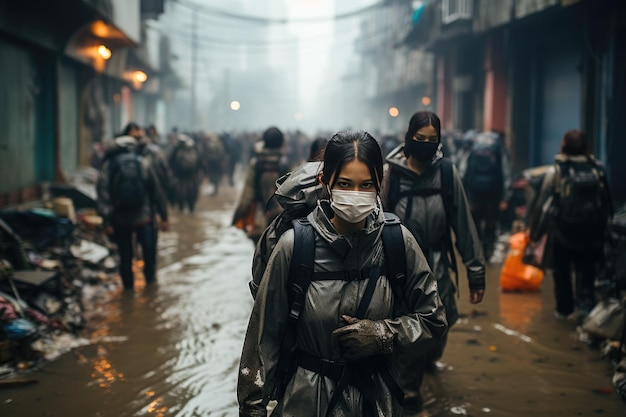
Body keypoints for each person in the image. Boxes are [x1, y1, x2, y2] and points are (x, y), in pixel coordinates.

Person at [237, 130, 447, 417]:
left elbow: (433, 320)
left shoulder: (398, 243)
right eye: (346, 184)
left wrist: (383, 334)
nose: (356, 195)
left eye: (366, 185)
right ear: (326, 181)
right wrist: (253, 409)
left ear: (379, 185)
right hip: (305, 402)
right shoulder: (294, 247)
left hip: (376, 402)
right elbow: (264, 340)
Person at [382, 110, 486, 408]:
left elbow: (463, 225)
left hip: (439, 259)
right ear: (408, 138)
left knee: (448, 314)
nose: (426, 145)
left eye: (432, 140)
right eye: (420, 139)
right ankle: (409, 388)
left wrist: (475, 273)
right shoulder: (391, 175)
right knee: (411, 321)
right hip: (402, 265)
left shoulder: (446, 173)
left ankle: (429, 356)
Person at [528, 129, 612, 320]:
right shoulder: (598, 168)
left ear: (564, 146)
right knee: (587, 272)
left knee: (562, 274)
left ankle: (564, 311)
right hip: (592, 234)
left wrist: (534, 234)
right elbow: (606, 203)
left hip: (563, 234)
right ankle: (587, 310)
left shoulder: (557, 170)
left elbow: (543, 207)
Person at [96, 134, 169, 291]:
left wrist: (106, 221)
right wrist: (163, 217)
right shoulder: (143, 162)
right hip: (144, 217)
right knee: (149, 254)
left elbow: (103, 195)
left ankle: (128, 290)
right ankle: (150, 289)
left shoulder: (109, 166)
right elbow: (156, 192)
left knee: (125, 256)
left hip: (120, 219)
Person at [461, 130, 512, 260]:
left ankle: (477, 252)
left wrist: (465, 194)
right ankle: (488, 249)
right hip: (493, 193)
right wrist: (505, 197)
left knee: (476, 223)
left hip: (475, 192)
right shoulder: (499, 148)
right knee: (491, 223)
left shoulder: (474, 145)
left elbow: (463, 170)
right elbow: (505, 172)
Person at [232, 126, 287, 243]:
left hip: (259, 220)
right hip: (282, 221)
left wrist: (237, 216)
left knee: (260, 256)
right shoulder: (284, 163)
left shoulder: (256, 164)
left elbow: (247, 194)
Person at [168, 134, 202, 213]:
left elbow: (170, 161)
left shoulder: (176, 148)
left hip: (180, 176)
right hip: (192, 175)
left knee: (180, 193)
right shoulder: (193, 147)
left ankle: (181, 208)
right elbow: (199, 162)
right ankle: (191, 208)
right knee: (192, 193)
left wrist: (172, 172)